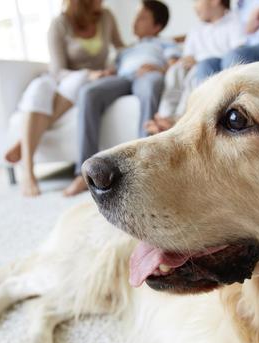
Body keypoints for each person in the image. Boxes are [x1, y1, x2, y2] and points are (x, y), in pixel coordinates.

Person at [5, 0, 124, 197]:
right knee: (38, 87)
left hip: (89, 81)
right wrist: (88, 73)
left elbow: (120, 47)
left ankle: (24, 141)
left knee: (80, 81)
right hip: (64, 78)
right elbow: (57, 70)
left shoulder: (106, 17)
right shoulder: (59, 24)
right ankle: (28, 172)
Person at [63, 0, 177, 196]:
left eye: (142, 17)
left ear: (157, 26)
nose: (135, 21)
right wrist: (109, 72)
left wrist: (160, 68)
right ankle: (82, 173)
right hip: (122, 77)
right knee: (89, 92)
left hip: (147, 74)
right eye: (135, 15)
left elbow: (175, 62)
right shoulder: (126, 50)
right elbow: (116, 68)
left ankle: (144, 166)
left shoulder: (165, 42)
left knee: (152, 85)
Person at [145, 0, 245, 134]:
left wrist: (197, 61)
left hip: (211, 68)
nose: (194, 6)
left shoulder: (235, 21)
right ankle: (165, 116)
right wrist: (186, 60)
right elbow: (187, 56)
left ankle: (181, 118)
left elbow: (236, 54)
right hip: (193, 66)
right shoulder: (197, 29)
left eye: (197, 1)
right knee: (176, 70)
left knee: (195, 73)